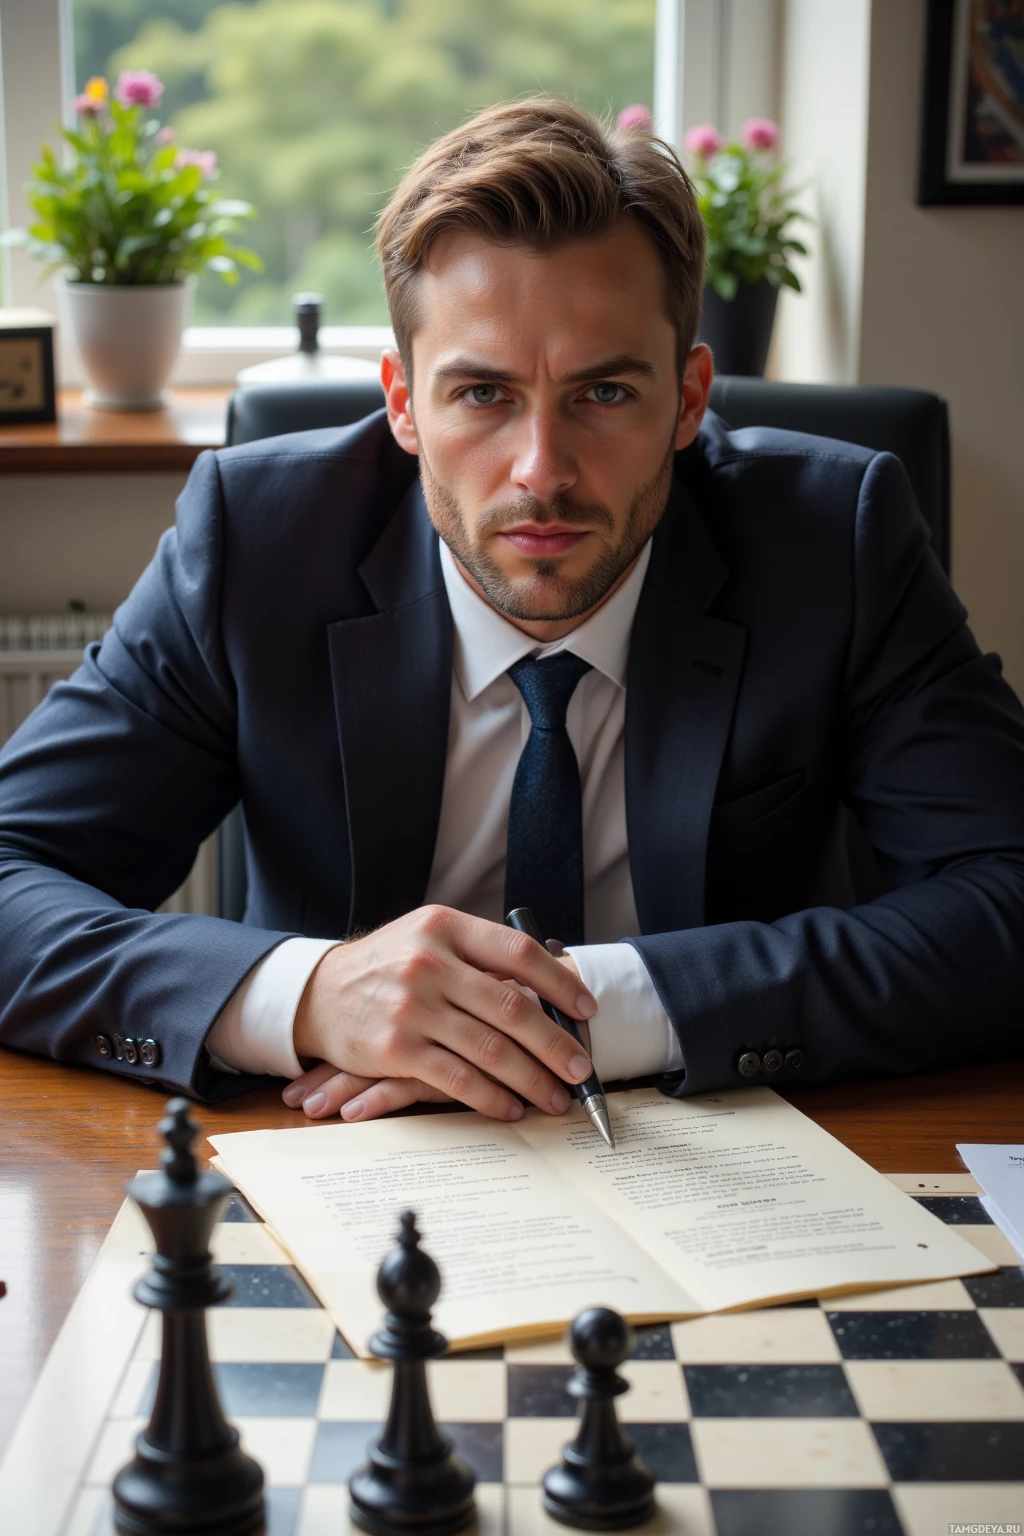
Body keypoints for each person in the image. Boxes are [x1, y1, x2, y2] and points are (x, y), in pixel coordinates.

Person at [1, 99, 1022, 1125]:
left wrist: (604, 1010)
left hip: (726, 1161)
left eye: (604, 394)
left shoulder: (832, 542)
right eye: (483, 396)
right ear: (402, 403)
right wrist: (309, 995)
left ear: (689, 398)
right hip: (332, 1156)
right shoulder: (256, 546)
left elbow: (1007, 895)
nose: (542, 473)